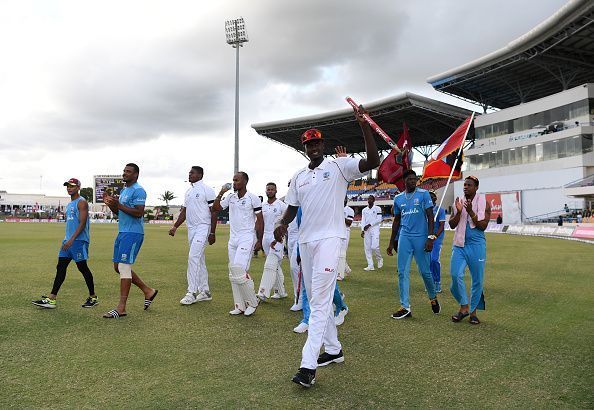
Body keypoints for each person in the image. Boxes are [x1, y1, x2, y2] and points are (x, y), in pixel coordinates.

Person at [274, 106, 380, 388]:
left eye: (317, 142)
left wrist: (364, 126)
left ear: (324, 144)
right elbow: (291, 208)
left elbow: (373, 160)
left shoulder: (338, 167)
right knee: (316, 297)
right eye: (308, 144)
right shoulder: (298, 177)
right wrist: (282, 224)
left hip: (330, 240)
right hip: (306, 242)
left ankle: (307, 365)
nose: (314, 147)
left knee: (319, 302)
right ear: (305, 148)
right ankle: (334, 350)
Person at [32, 178, 98, 309]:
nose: (69, 188)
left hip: (78, 241)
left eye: (72, 186)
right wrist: (67, 239)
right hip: (67, 241)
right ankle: (52, 298)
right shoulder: (69, 204)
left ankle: (93, 297)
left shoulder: (82, 202)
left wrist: (72, 239)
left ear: (78, 187)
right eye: (67, 186)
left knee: (82, 268)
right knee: (60, 267)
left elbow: (82, 223)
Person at [102, 163, 158, 319]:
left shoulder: (138, 190)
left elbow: (139, 213)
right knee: (117, 267)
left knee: (124, 267)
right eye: (124, 171)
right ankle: (148, 291)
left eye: (128, 171)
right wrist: (111, 204)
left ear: (136, 175)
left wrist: (118, 204)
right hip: (123, 231)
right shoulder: (124, 190)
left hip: (133, 233)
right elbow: (120, 213)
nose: (124, 173)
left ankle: (121, 308)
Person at [387, 169, 441, 320]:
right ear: (404, 181)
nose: (413, 181)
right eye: (409, 179)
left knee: (425, 272)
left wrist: (430, 237)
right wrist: (391, 242)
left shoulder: (423, 195)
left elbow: (430, 216)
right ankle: (405, 306)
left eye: (414, 179)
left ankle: (432, 297)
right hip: (405, 237)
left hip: (421, 237)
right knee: (402, 271)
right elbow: (396, 221)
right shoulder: (398, 198)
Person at [212, 172, 262, 316]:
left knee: (239, 270)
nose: (234, 183)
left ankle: (253, 302)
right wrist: (221, 192)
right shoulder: (230, 197)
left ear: (245, 181)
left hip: (247, 237)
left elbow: (260, 220)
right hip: (233, 239)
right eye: (233, 180)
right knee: (233, 272)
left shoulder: (253, 198)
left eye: (237, 180)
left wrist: (259, 239)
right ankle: (240, 305)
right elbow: (215, 208)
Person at [169, 166, 217, 305]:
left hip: (203, 227)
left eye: (192, 173)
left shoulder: (207, 190)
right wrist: (175, 226)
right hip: (191, 228)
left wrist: (212, 232)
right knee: (199, 259)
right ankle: (205, 291)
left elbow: (213, 212)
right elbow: (184, 211)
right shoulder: (188, 191)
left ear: (200, 175)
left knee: (193, 256)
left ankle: (191, 292)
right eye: (189, 172)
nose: (189, 174)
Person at [448, 176, 491, 325]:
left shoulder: (484, 203)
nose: (465, 187)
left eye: (469, 185)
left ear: (476, 187)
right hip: (459, 244)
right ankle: (464, 306)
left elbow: (483, 226)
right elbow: (452, 224)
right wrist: (459, 212)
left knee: (477, 279)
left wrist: (471, 212)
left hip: (477, 244)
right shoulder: (458, 202)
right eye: (464, 185)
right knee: (455, 275)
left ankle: (472, 312)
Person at [257, 182, 288, 301]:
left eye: (272, 189)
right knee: (275, 266)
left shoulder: (281, 205)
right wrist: (258, 239)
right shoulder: (262, 205)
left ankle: (263, 292)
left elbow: (287, 221)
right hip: (265, 237)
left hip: (277, 237)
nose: (270, 191)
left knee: (271, 264)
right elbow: (259, 223)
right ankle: (280, 291)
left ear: (276, 191)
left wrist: (280, 236)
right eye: (268, 189)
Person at [429, 191, 446, 293]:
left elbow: (442, 225)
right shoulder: (425, 210)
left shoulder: (440, 210)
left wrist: (435, 236)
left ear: (435, 199)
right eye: (428, 197)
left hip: (436, 238)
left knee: (434, 259)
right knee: (428, 261)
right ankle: (430, 283)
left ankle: (437, 281)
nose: (430, 199)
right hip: (426, 238)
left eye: (432, 197)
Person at [361, 195, 383, 271]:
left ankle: (379, 259)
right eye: (368, 199)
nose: (369, 200)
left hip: (375, 229)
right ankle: (370, 265)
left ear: (374, 200)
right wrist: (362, 230)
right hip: (366, 230)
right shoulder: (364, 210)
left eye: (371, 199)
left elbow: (379, 219)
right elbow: (363, 220)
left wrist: (370, 224)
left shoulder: (378, 208)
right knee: (367, 248)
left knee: (374, 246)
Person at [337, 196, 355, 281]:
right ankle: (347, 269)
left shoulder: (349, 210)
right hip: (336, 232)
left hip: (345, 232)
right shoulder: (336, 207)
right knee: (337, 253)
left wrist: (340, 215)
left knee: (342, 253)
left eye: (344, 199)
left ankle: (340, 275)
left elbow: (349, 222)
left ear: (346, 200)